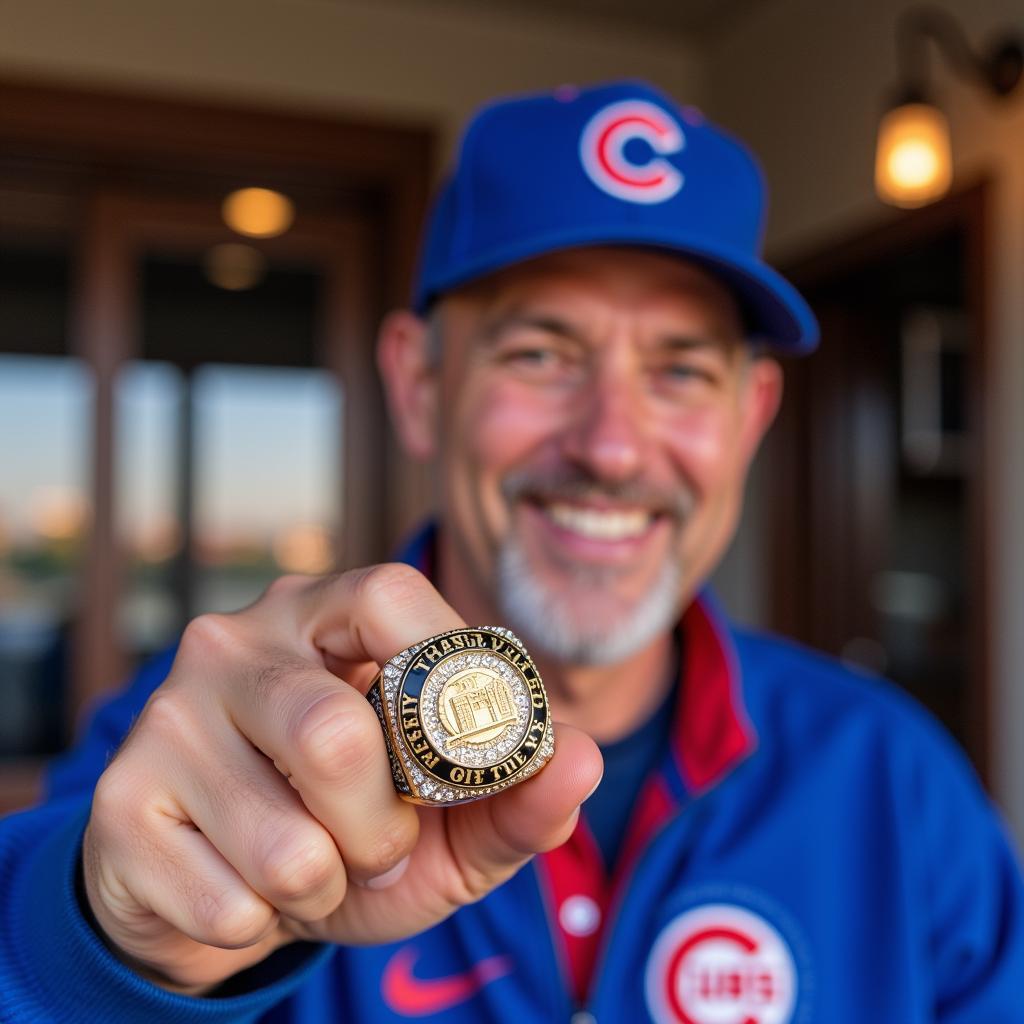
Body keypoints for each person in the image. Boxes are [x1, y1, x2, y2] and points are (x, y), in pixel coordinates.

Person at [1, 80, 1021, 1024]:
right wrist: (116, 949)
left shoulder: (894, 777)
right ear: (419, 385)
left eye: (679, 370)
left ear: (751, 416)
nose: (612, 446)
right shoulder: (209, 750)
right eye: (541, 353)